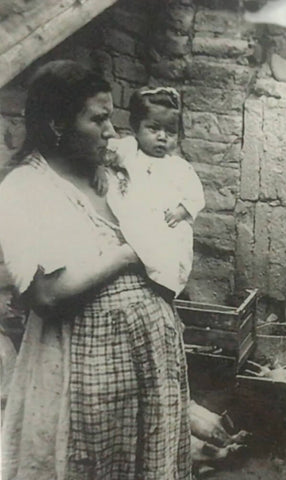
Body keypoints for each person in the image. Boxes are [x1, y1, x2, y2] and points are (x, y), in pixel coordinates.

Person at [0, 60, 192, 480]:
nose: (111, 131)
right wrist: (127, 254)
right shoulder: (23, 191)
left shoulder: (115, 175)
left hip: (151, 369)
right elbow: (46, 295)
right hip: (83, 377)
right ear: (56, 124)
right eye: (99, 119)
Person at [93, 86, 205, 296]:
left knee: (170, 252)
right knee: (134, 246)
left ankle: (165, 285)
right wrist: (99, 168)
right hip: (136, 217)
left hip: (164, 222)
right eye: (153, 130)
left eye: (170, 133)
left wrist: (181, 211)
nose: (162, 137)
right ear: (136, 128)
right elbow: (105, 152)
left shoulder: (179, 167)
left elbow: (195, 195)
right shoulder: (130, 150)